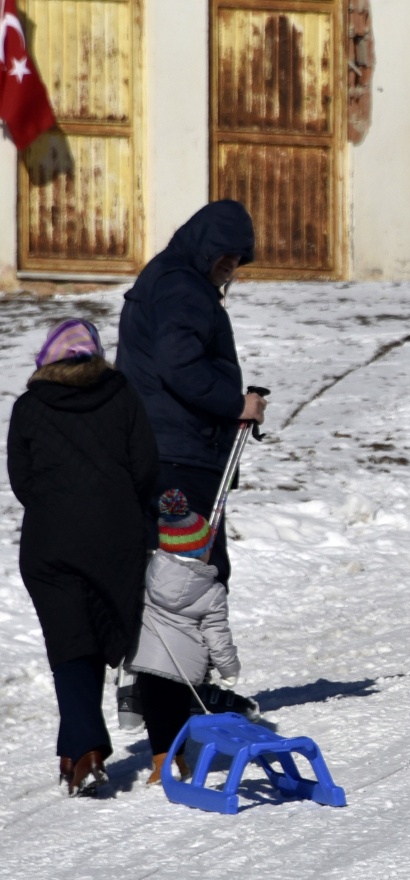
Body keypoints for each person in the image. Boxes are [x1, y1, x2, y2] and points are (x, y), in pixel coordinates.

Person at [6, 320, 158, 797]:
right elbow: (146, 466)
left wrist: (58, 505)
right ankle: (76, 750)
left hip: (51, 541)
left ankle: (84, 749)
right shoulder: (122, 394)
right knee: (91, 635)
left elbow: (22, 480)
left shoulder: (30, 406)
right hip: (116, 537)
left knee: (71, 640)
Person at [116, 199, 268, 588]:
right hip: (179, 458)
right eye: (224, 255)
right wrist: (238, 404)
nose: (230, 265)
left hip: (162, 450)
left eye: (237, 257)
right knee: (196, 573)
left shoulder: (168, 278)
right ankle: (192, 651)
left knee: (168, 567)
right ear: (203, 247)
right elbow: (179, 363)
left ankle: (163, 649)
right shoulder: (182, 286)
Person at [126, 489, 242, 786]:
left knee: (155, 713)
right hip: (184, 668)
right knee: (177, 712)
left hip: (148, 659)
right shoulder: (212, 591)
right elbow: (217, 634)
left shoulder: (148, 570)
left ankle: (161, 762)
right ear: (201, 549)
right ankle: (178, 758)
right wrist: (229, 669)